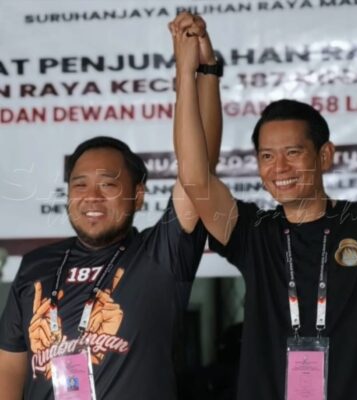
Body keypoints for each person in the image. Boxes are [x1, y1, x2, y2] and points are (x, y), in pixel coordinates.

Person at [172, 15, 357, 400]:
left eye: (293, 153)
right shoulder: (253, 231)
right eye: (267, 156)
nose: (280, 168)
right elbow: (195, 177)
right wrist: (196, 71)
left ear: (325, 155)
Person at [0, 15, 221, 400]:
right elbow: (9, 368)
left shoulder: (160, 255)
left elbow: (198, 171)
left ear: (138, 194)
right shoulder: (36, 265)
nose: (92, 196)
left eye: (108, 184)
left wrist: (197, 72)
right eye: (80, 185)